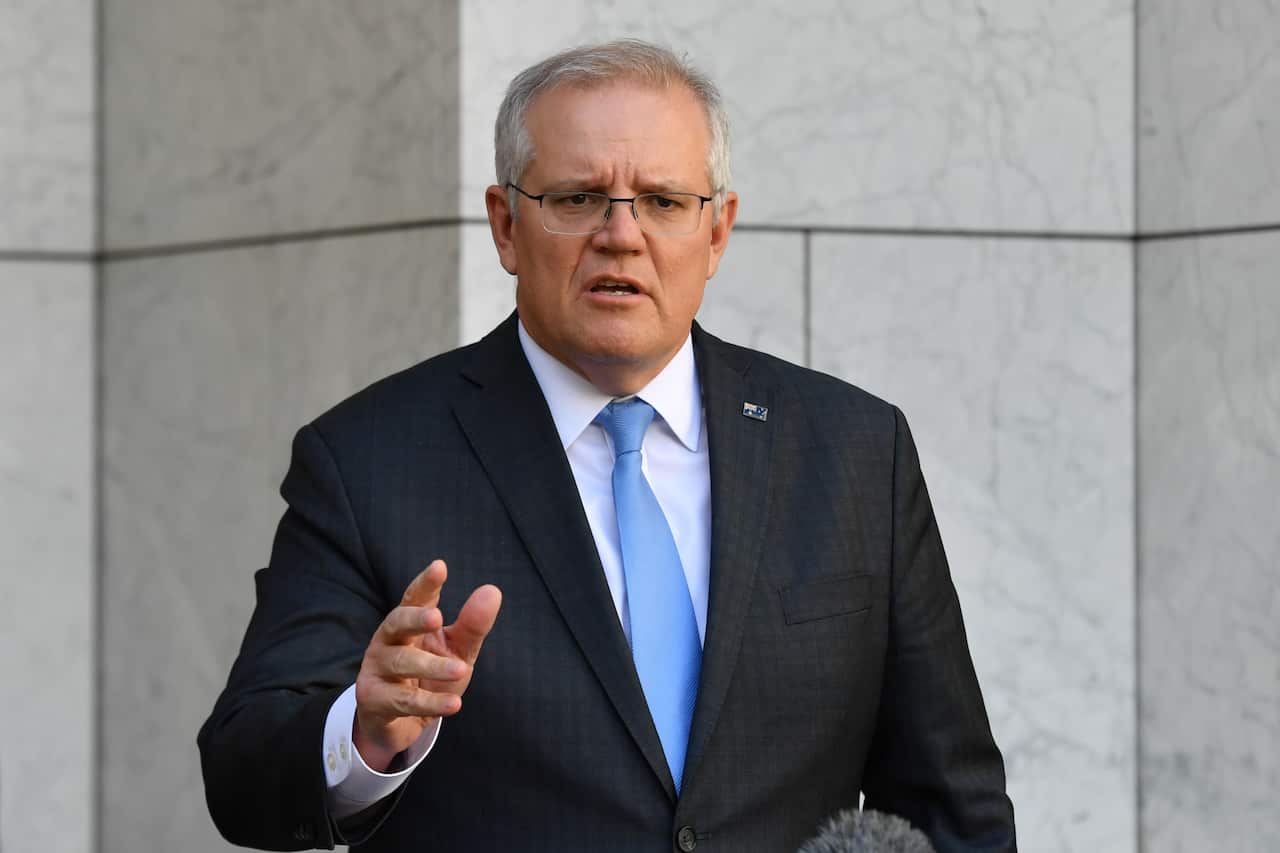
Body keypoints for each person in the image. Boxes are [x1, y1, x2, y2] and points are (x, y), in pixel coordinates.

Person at [199, 39, 1016, 852]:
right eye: (579, 197)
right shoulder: (369, 460)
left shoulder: (856, 452)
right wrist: (368, 734)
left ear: (718, 231)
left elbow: (951, 807)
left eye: (662, 201)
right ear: (506, 225)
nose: (621, 235)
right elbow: (243, 767)